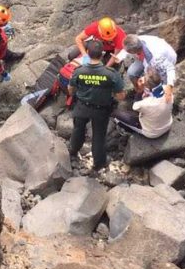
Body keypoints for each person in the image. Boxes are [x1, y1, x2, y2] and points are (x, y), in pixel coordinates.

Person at [68, 40, 126, 172]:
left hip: (82, 107)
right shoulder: (111, 73)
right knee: (99, 136)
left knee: (78, 130)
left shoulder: (79, 71)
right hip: (101, 110)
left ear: (87, 53)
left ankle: (73, 151)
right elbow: (121, 96)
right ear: (102, 54)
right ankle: (98, 164)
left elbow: (71, 90)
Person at [113, 70, 173, 138]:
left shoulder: (145, 103)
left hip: (153, 133)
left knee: (116, 114)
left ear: (148, 87)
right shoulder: (168, 90)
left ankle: (125, 129)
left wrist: (140, 90)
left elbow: (134, 106)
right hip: (168, 124)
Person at [121, 34, 177, 102]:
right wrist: (119, 57)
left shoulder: (156, 58)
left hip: (167, 59)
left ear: (133, 51)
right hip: (150, 59)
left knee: (157, 82)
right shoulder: (137, 41)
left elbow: (170, 68)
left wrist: (169, 86)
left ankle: (157, 96)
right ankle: (141, 91)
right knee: (132, 73)